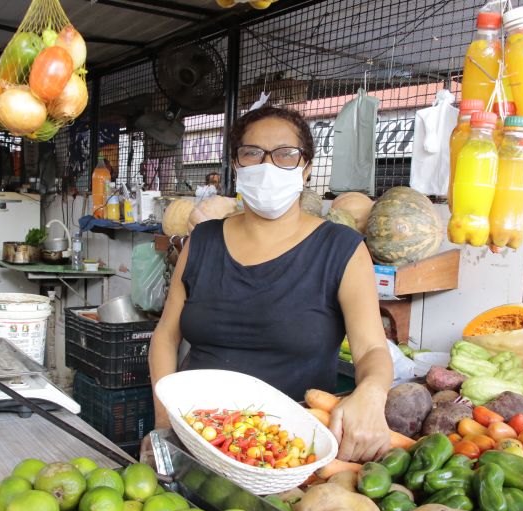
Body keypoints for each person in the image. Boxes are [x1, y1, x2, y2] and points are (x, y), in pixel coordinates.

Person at [147, 107, 393, 463]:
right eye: (252, 154)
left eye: (285, 155)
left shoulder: (341, 249)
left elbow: (371, 349)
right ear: (236, 165)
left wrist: (372, 392)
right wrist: (163, 424)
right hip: (198, 434)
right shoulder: (202, 242)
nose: (268, 166)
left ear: (306, 169)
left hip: (287, 450)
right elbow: (165, 338)